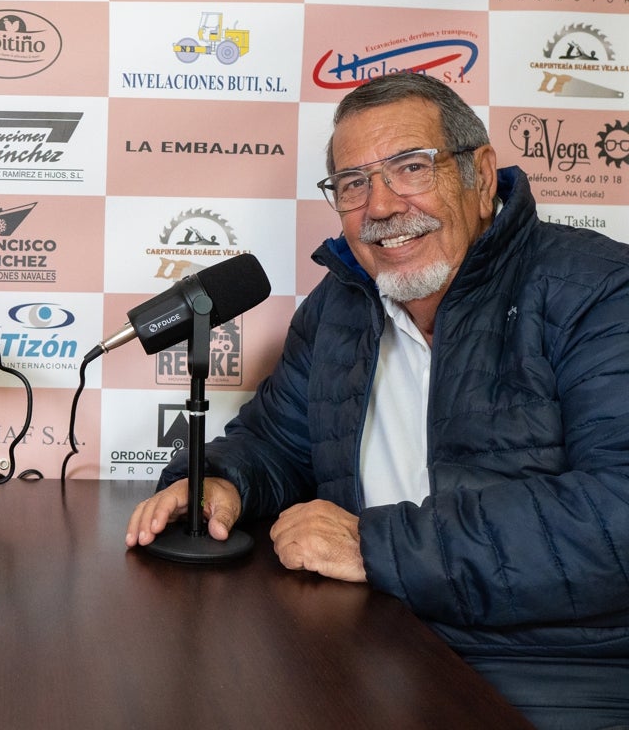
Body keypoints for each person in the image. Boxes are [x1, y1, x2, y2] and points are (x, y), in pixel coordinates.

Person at [125, 71, 629, 729]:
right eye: (354, 184)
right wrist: (225, 483)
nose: (382, 206)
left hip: (547, 671)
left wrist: (378, 546)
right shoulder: (341, 305)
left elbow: (616, 512)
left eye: (410, 168)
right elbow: (278, 440)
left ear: (480, 176)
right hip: (366, 638)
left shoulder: (596, 290)